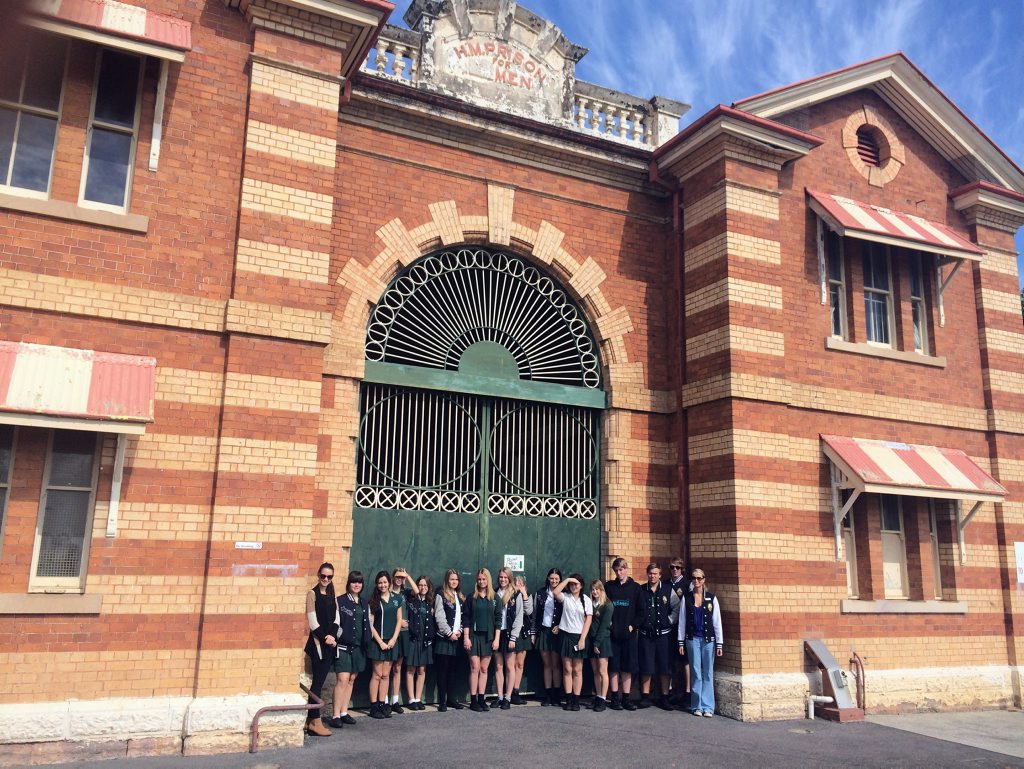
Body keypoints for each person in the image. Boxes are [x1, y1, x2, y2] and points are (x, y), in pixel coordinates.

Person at [678, 568, 723, 717]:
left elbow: (717, 621)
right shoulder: (687, 598)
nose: (696, 581)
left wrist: (719, 643)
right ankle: (696, 705)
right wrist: (681, 642)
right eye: (694, 578)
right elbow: (682, 621)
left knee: (708, 673)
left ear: (704, 580)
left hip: (708, 640)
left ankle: (708, 706)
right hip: (692, 639)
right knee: (696, 673)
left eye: (699, 578)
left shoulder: (711, 598)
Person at [327, 570, 368, 729]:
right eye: (353, 582)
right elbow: (335, 623)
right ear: (349, 584)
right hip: (343, 647)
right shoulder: (341, 601)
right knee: (342, 680)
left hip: (358, 648)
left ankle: (344, 712)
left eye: (359, 582)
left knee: (351, 679)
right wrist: (337, 637)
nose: (356, 585)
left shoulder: (364, 603)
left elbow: (367, 624)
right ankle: (335, 715)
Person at [637, 563, 680, 710]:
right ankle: (645, 697)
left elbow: (676, 607)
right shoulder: (641, 590)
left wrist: (669, 620)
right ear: (647, 574)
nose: (652, 576)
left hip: (664, 636)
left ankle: (665, 697)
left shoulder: (668, 590)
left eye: (655, 574)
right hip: (646, 635)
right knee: (646, 667)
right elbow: (636, 610)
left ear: (660, 575)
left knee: (665, 667)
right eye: (650, 573)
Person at [303, 562, 339, 736]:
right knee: (317, 683)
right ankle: (315, 721)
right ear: (318, 575)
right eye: (323, 576)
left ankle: (311, 720)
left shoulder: (333, 595)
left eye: (329, 577)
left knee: (319, 682)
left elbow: (337, 620)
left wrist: (333, 636)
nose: (325, 579)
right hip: (318, 646)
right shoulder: (312, 594)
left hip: (330, 646)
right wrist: (326, 638)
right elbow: (312, 621)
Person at [603, 556, 643, 711]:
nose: (619, 573)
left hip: (629, 635)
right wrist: (609, 624)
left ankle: (626, 698)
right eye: (616, 570)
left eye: (621, 570)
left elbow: (641, 611)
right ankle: (614, 698)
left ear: (626, 569)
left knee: (627, 667)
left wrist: (633, 626)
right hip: (613, 634)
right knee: (614, 667)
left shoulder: (635, 588)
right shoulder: (609, 587)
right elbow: (603, 606)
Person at [552, 573, 592, 712]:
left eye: (577, 584)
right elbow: (555, 591)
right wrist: (568, 579)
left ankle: (576, 700)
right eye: (572, 584)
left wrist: (582, 639)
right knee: (567, 669)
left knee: (577, 670)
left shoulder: (586, 600)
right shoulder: (566, 597)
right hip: (565, 635)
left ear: (581, 586)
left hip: (578, 636)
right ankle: (568, 699)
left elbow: (588, 621)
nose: (574, 586)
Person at [367, 570, 403, 719]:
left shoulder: (397, 598)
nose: (382, 585)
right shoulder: (374, 600)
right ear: (377, 584)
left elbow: (399, 620)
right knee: (377, 675)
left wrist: (393, 639)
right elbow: (370, 623)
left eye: (385, 582)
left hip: (391, 642)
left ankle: (383, 704)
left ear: (389, 582)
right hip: (378, 643)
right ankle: (374, 706)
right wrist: (380, 642)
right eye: (380, 582)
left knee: (386, 675)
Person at [464, 568, 499, 712]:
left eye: (484, 579)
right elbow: (466, 618)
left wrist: (496, 639)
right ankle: (473, 701)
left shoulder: (495, 598)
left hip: (488, 638)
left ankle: (481, 698)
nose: (481, 581)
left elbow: (498, 619)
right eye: (479, 579)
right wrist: (466, 637)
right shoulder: (471, 597)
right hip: (473, 637)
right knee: (475, 668)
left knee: (484, 669)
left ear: (488, 580)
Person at [433, 568, 466, 712]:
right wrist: (448, 633)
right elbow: (439, 616)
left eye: (456, 579)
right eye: (452, 579)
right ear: (447, 580)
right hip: (444, 639)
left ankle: (452, 699)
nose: (454, 582)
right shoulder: (441, 594)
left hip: (456, 639)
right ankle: (442, 701)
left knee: (453, 671)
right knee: (443, 671)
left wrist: (459, 631)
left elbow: (463, 617)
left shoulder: (460, 596)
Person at [493, 567, 524, 709]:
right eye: (501, 577)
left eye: (505, 577)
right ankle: (499, 697)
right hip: (498, 633)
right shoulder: (493, 593)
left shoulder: (516, 594)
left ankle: (508, 697)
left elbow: (519, 617)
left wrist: (513, 637)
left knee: (510, 667)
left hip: (510, 634)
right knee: (498, 666)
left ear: (509, 578)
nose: (503, 579)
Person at [532, 567, 564, 706]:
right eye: (552, 578)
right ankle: (547, 695)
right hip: (543, 631)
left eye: (556, 579)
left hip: (556, 633)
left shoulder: (564, 594)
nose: (554, 581)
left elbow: (569, 614)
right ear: (548, 579)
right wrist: (534, 632)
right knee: (547, 664)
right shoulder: (540, 593)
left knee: (556, 664)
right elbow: (534, 614)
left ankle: (556, 695)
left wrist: (560, 626)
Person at [404, 575, 436, 711]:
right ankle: (411, 699)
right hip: (413, 639)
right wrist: (407, 576)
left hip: (425, 641)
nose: (423, 588)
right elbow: (413, 591)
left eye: (425, 586)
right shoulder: (411, 599)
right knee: (411, 669)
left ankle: (418, 698)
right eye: (420, 585)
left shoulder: (431, 602)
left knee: (422, 669)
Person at [663, 556, 692, 707]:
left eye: (677, 567)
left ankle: (687, 691)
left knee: (685, 660)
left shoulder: (687, 584)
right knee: (670, 659)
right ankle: (671, 690)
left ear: (682, 569)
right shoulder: (665, 584)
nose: (674, 570)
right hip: (668, 627)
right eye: (672, 567)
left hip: (683, 627)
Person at [388, 567, 411, 714]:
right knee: (387, 668)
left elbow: (417, 591)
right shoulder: (387, 592)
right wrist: (398, 622)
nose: (400, 579)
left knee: (398, 668)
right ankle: (383, 701)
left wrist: (407, 576)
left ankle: (395, 701)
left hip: (403, 634)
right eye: (397, 576)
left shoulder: (405, 593)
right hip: (391, 634)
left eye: (402, 577)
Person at [588, 579, 613, 712]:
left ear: (602, 590)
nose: (595, 592)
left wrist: (597, 643)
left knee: (603, 671)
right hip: (591, 641)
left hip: (602, 641)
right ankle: (597, 696)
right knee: (595, 671)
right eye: (593, 589)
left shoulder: (608, 605)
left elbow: (604, 626)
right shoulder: (589, 603)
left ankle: (603, 698)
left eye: (597, 589)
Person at [510, 574, 534, 704]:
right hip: (512, 632)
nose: (518, 585)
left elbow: (529, 611)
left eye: (520, 583)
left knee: (519, 664)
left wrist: (524, 595)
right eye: (516, 583)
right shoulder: (510, 595)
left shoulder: (527, 595)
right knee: (511, 664)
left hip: (523, 633)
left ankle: (516, 691)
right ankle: (507, 692)